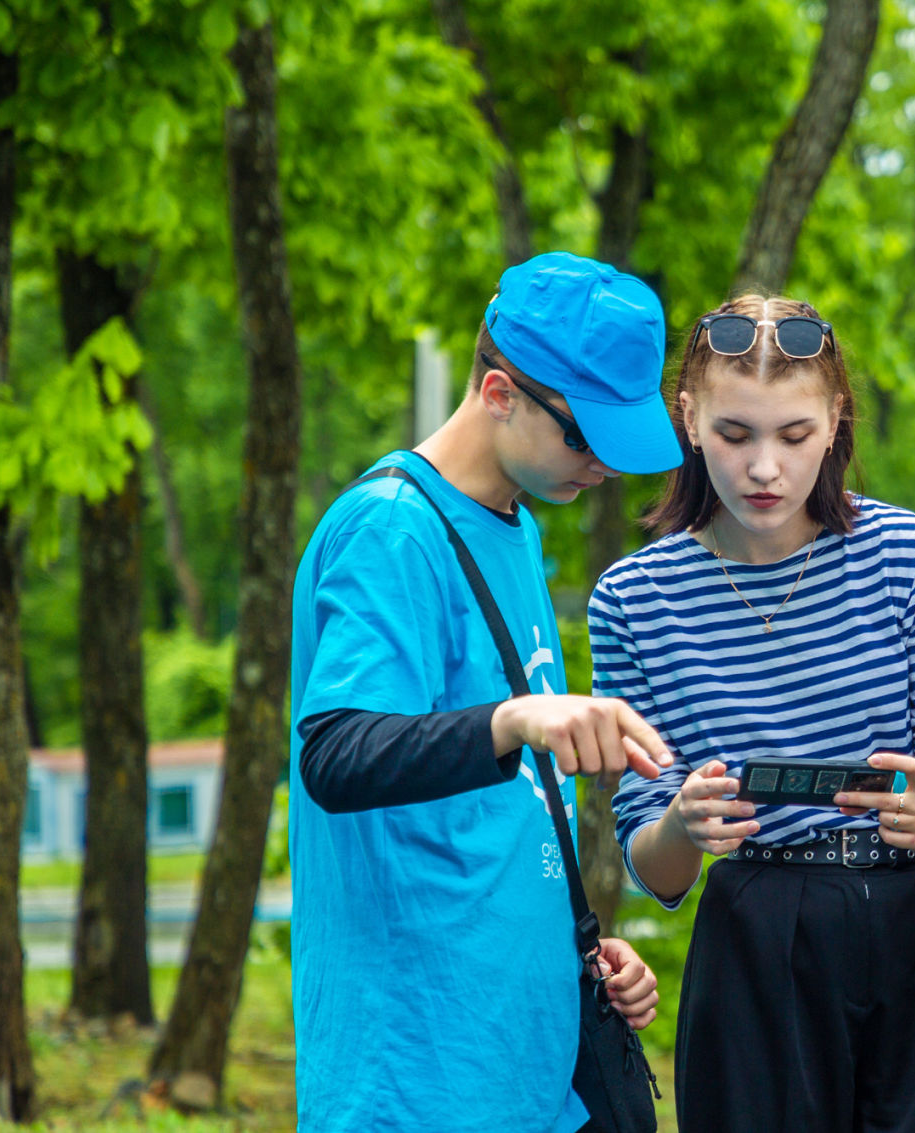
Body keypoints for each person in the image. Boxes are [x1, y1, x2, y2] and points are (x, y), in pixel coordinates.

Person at [588, 294, 915, 1133]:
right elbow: (657, 870)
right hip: (756, 931)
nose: (765, 468)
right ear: (689, 419)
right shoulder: (633, 597)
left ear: (836, 420)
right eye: (735, 434)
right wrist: (683, 823)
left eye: (794, 434)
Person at [288, 252, 681, 1132]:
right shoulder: (393, 528)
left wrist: (572, 949)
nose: (605, 466)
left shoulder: (516, 526)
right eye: (585, 436)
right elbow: (337, 753)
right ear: (500, 392)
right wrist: (514, 719)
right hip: (419, 1078)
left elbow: (498, 821)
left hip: (525, 1063)